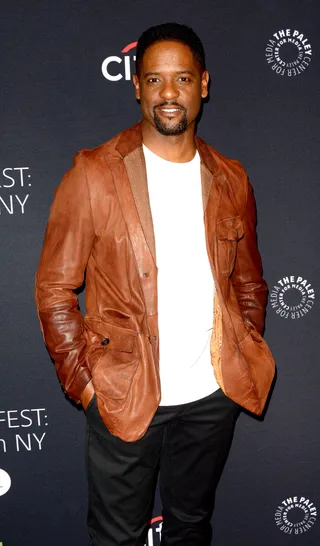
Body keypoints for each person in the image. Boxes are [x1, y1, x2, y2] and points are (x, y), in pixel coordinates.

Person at [35, 22, 274, 546]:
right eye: (156, 80)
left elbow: (250, 283)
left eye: (183, 79)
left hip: (212, 393)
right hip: (124, 392)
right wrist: (86, 384)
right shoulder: (94, 174)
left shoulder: (231, 179)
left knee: (190, 527)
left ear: (203, 84)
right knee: (117, 537)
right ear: (137, 85)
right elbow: (54, 288)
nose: (169, 94)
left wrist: (242, 345)